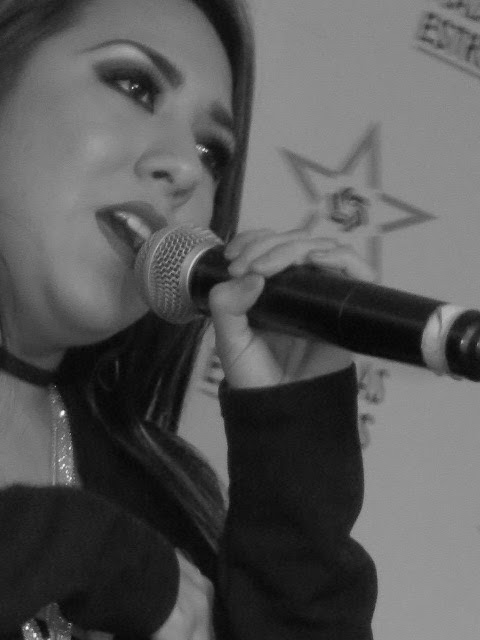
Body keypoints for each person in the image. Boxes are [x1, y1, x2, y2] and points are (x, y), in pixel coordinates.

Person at [0, 0, 377, 638]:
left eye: (212, 153)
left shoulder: (161, 501)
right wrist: (96, 554)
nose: (184, 170)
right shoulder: (130, 556)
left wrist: (293, 456)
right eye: (135, 86)